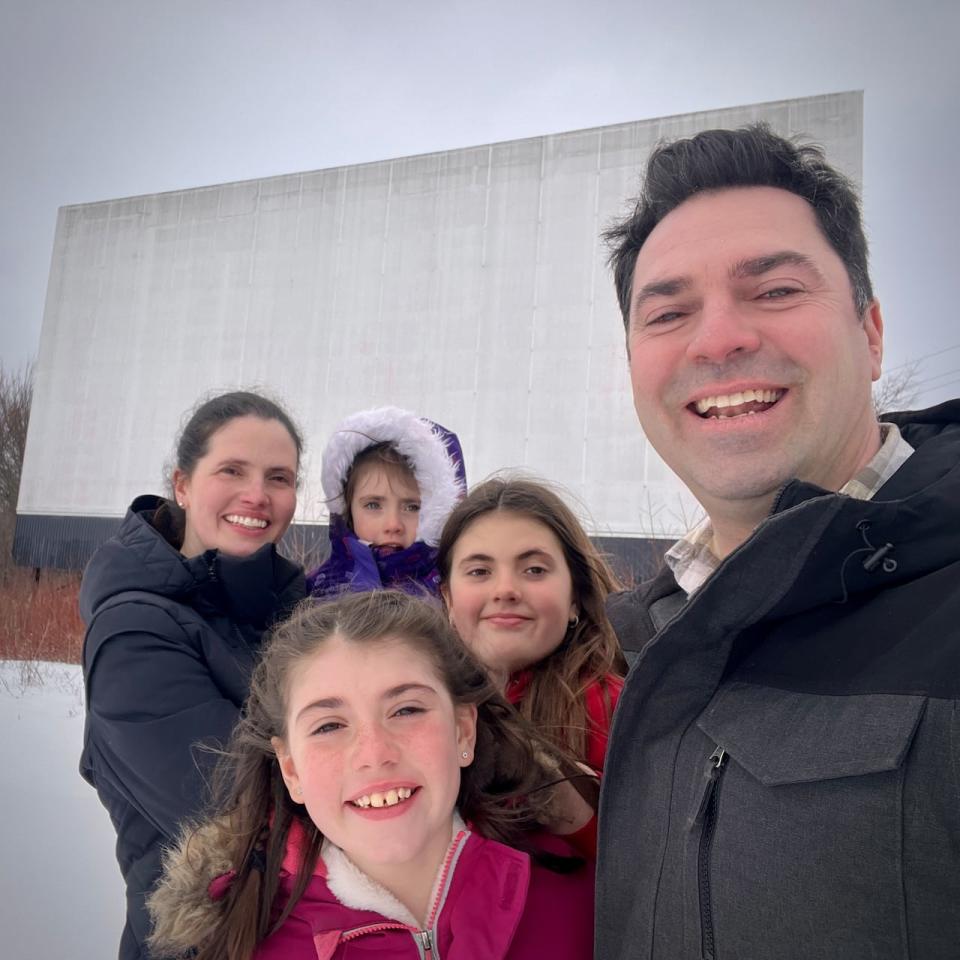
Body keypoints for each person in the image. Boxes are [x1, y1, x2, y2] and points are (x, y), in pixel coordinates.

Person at [596, 123, 960, 959]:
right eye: (668, 312)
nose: (718, 338)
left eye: (775, 291)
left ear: (871, 335)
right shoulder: (645, 639)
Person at [145, 590, 595, 960]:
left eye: (406, 710)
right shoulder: (240, 944)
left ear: (463, 730)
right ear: (291, 768)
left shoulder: (583, 901)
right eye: (329, 726)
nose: (374, 754)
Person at [79, 390, 306, 960]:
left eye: (279, 477)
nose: (257, 495)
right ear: (182, 484)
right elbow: (244, 808)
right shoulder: (133, 633)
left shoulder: (294, 610)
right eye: (232, 470)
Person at [437, 477, 626, 778]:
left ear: (574, 597)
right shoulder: (419, 705)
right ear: (448, 598)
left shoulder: (624, 717)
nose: (505, 590)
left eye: (534, 570)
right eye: (479, 571)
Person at [307, 406, 466, 599]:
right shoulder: (315, 592)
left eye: (412, 507)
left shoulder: (453, 596)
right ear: (347, 510)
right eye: (373, 505)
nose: (393, 525)